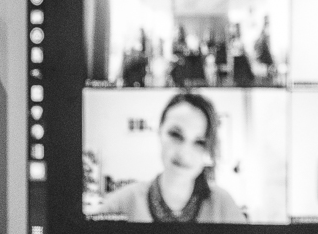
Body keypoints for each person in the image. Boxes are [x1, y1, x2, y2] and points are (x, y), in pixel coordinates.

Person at [95, 92, 248, 223]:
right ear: (159, 132)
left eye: (199, 142)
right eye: (175, 135)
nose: (184, 152)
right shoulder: (121, 203)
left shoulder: (223, 206)